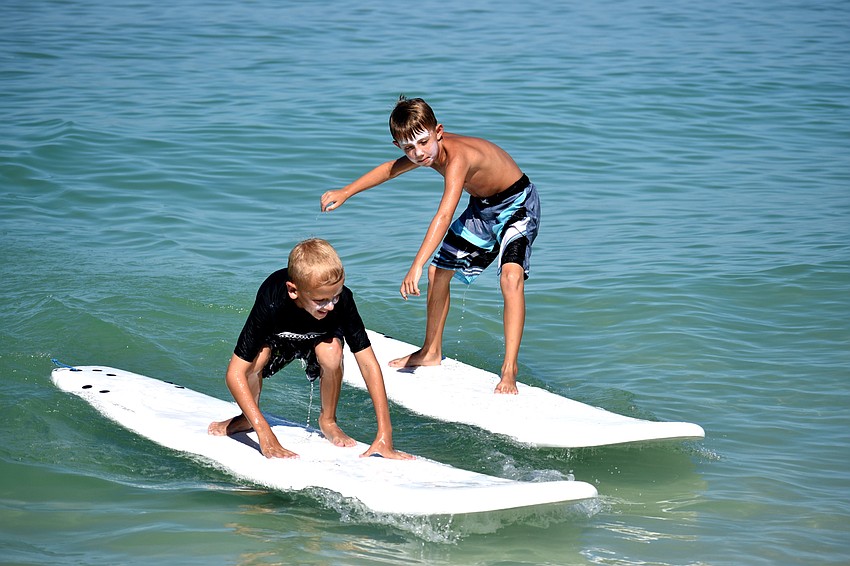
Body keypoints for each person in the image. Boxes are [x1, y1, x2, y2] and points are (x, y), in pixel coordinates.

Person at [320, 96, 540, 395]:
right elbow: (388, 170)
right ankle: (431, 351)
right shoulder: (423, 151)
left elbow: (445, 213)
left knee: (510, 277)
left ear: (438, 131)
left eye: (423, 142)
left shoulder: (458, 157)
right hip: (482, 208)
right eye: (409, 147)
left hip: (517, 204)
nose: (418, 153)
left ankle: (509, 369)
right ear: (399, 145)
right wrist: (346, 191)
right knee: (440, 272)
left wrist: (416, 264)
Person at [208, 238, 411, 460]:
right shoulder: (272, 299)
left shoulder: (343, 302)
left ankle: (328, 420)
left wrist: (384, 433)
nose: (331, 305)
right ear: (293, 291)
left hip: (320, 340)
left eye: (336, 296)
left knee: (331, 351)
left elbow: (368, 364)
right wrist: (265, 434)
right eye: (321, 300)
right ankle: (249, 418)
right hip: (279, 341)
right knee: (257, 359)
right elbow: (234, 373)